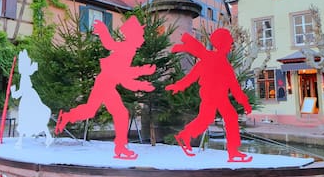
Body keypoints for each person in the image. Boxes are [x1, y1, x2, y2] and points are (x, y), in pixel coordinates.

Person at [55, 16, 154, 160]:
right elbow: (123, 74)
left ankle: (67, 116)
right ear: (133, 36)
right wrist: (142, 78)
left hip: (106, 83)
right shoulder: (127, 48)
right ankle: (120, 147)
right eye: (140, 35)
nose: (142, 38)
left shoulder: (129, 49)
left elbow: (119, 65)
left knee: (91, 110)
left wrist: (142, 72)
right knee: (120, 113)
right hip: (105, 83)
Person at [166, 28, 253, 162]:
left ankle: (233, 151)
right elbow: (192, 76)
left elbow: (234, 87)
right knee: (211, 118)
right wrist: (178, 86)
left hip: (220, 96)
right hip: (211, 95)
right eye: (229, 42)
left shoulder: (222, 63)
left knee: (219, 118)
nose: (231, 44)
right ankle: (232, 151)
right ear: (223, 43)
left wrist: (244, 102)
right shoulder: (210, 59)